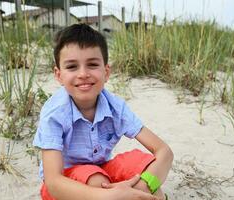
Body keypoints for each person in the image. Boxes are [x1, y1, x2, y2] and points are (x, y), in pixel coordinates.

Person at [33, 23, 173, 200]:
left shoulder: (115, 107)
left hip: (103, 171)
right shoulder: (55, 114)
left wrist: (144, 186)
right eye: (72, 67)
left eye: (92, 64)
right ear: (58, 75)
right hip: (65, 187)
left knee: (145, 167)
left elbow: (164, 152)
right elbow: (53, 182)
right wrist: (111, 195)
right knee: (96, 178)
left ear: (106, 72)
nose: (83, 73)